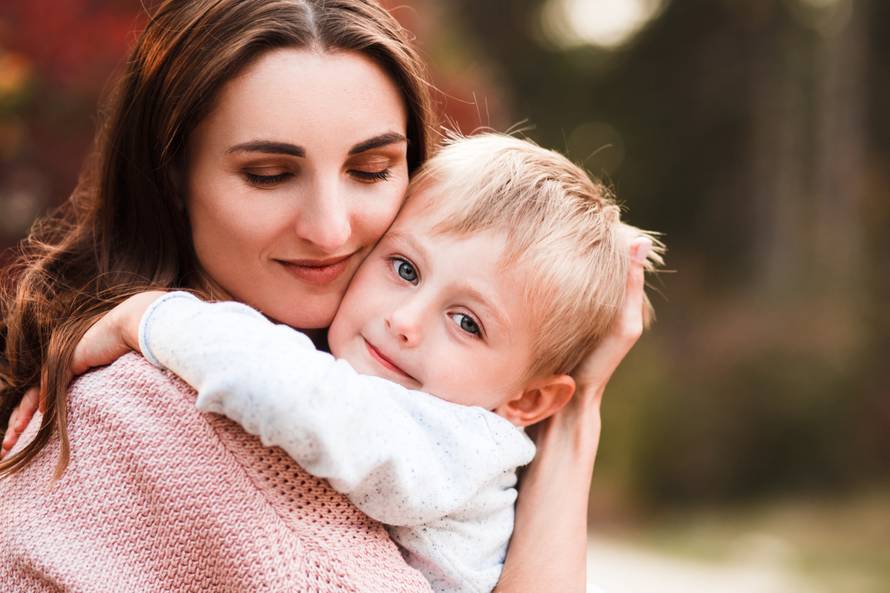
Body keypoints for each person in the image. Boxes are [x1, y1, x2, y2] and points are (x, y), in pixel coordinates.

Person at [0, 1, 653, 591]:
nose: (331, 228)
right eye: (269, 174)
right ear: (172, 179)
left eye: (371, 170)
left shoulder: (412, 410)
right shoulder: (156, 410)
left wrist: (574, 409)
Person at [69, 134, 662, 593]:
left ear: (527, 403)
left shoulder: (458, 443)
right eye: (404, 268)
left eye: (466, 322)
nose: (405, 319)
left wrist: (152, 317)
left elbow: (291, 397)